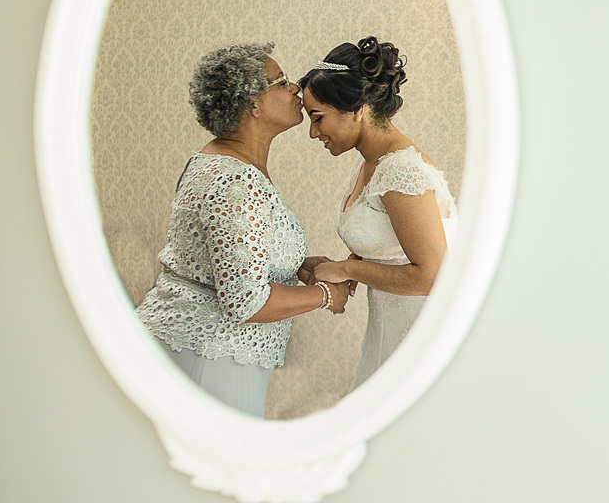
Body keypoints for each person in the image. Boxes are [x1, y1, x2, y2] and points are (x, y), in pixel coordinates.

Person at [135, 42, 351, 417]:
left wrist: (293, 265)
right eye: (281, 82)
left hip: (202, 350)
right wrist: (326, 296)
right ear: (252, 104)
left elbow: (226, 259)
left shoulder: (215, 160)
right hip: (210, 358)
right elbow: (245, 301)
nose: (295, 89)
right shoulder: (236, 181)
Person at [297, 37, 456, 387]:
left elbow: (433, 275)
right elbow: (392, 243)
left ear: (357, 110)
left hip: (420, 330)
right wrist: (345, 267)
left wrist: (350, 268)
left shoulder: (401, 170)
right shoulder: (369, 161)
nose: (313, 132)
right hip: (389, 324)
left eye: (318, 118)